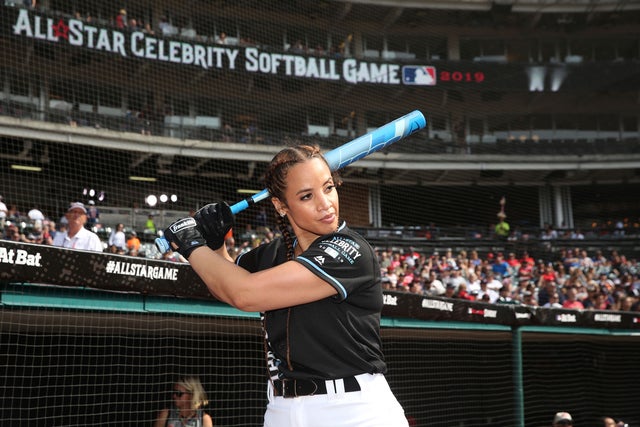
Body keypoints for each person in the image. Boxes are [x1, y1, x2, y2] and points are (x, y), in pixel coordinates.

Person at [162, 144, 409, 426]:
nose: (325, 203)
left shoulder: (350, 250)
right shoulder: (274, 252)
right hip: (282, 409)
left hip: (353, 409)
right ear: (281, 205)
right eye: (307, 196)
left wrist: (192, 244)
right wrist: (216, 247)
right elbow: (226, 285)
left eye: (328, 188)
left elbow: (244, 294)